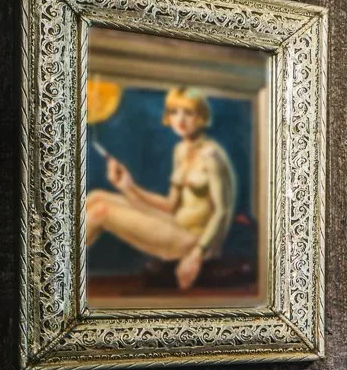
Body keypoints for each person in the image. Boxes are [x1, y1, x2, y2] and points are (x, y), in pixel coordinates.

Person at [85, 87, 237, 291]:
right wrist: (129, 187)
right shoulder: (181, 150)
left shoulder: (212, 157)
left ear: (201, 116)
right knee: (97, 197)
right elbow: (170, 205)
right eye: (174, 112)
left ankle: (57, 268)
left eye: (188, 112)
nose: (180, 119)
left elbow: (223, 212)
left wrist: (197, 255)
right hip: (175, 222)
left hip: (194, 240)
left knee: (100, 212)